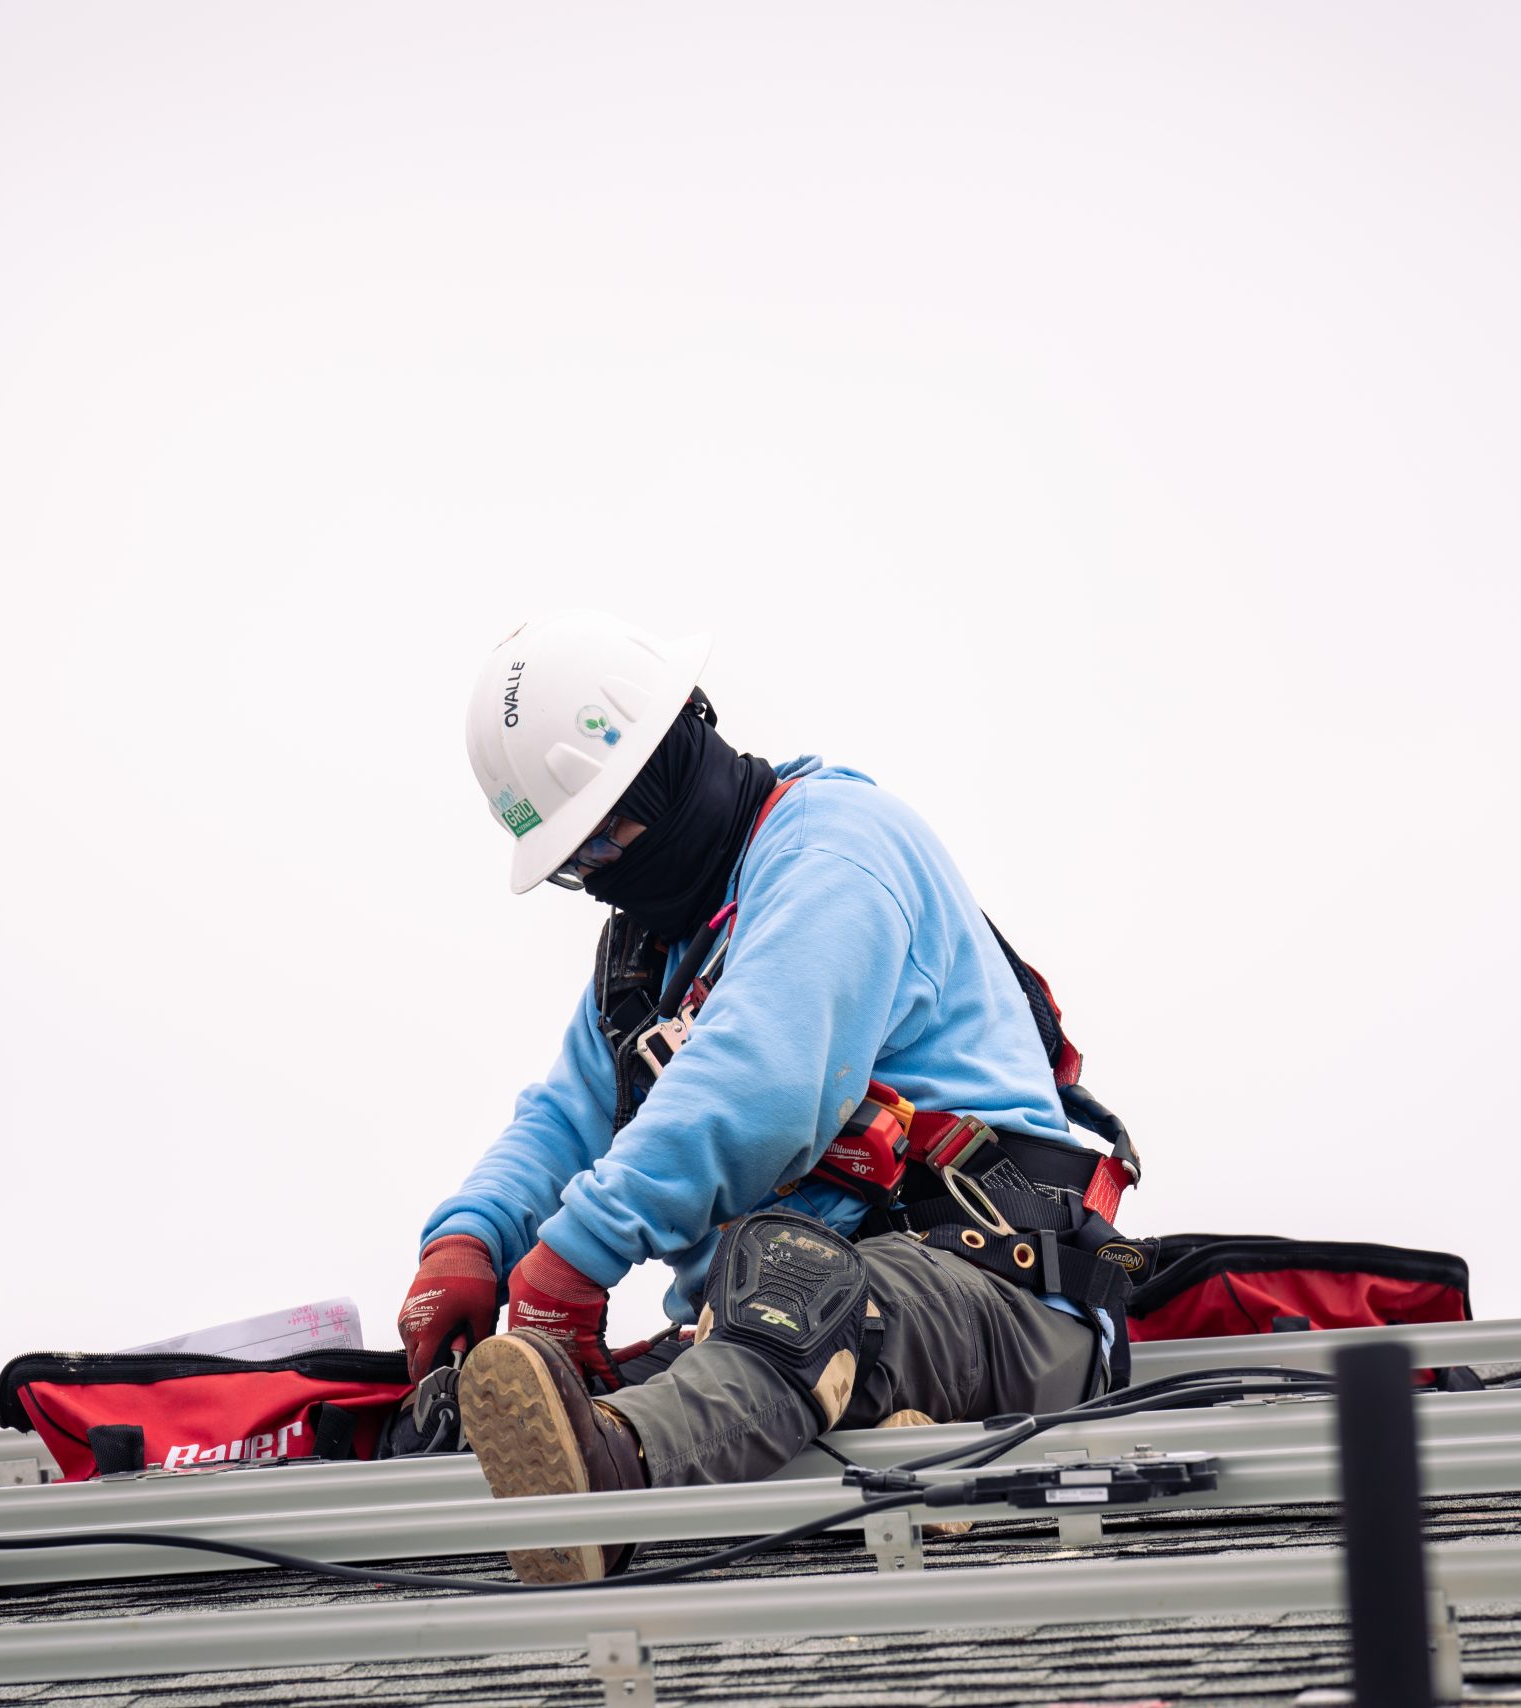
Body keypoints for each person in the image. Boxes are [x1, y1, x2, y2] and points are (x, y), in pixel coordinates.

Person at [398, 610, 1138, 1583]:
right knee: (562, 1400)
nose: (603, 878)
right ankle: (614, 1452)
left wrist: (569, 1264)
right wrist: (468, 1241)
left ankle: (620, 1474)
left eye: (608, 838)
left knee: (794, 1279)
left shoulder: (835, 849)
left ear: (674, 762)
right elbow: (565, 1120)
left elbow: (763, 1084)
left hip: (989, 1301)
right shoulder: (647, 960)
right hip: (770, 1344)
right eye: (577, 867)